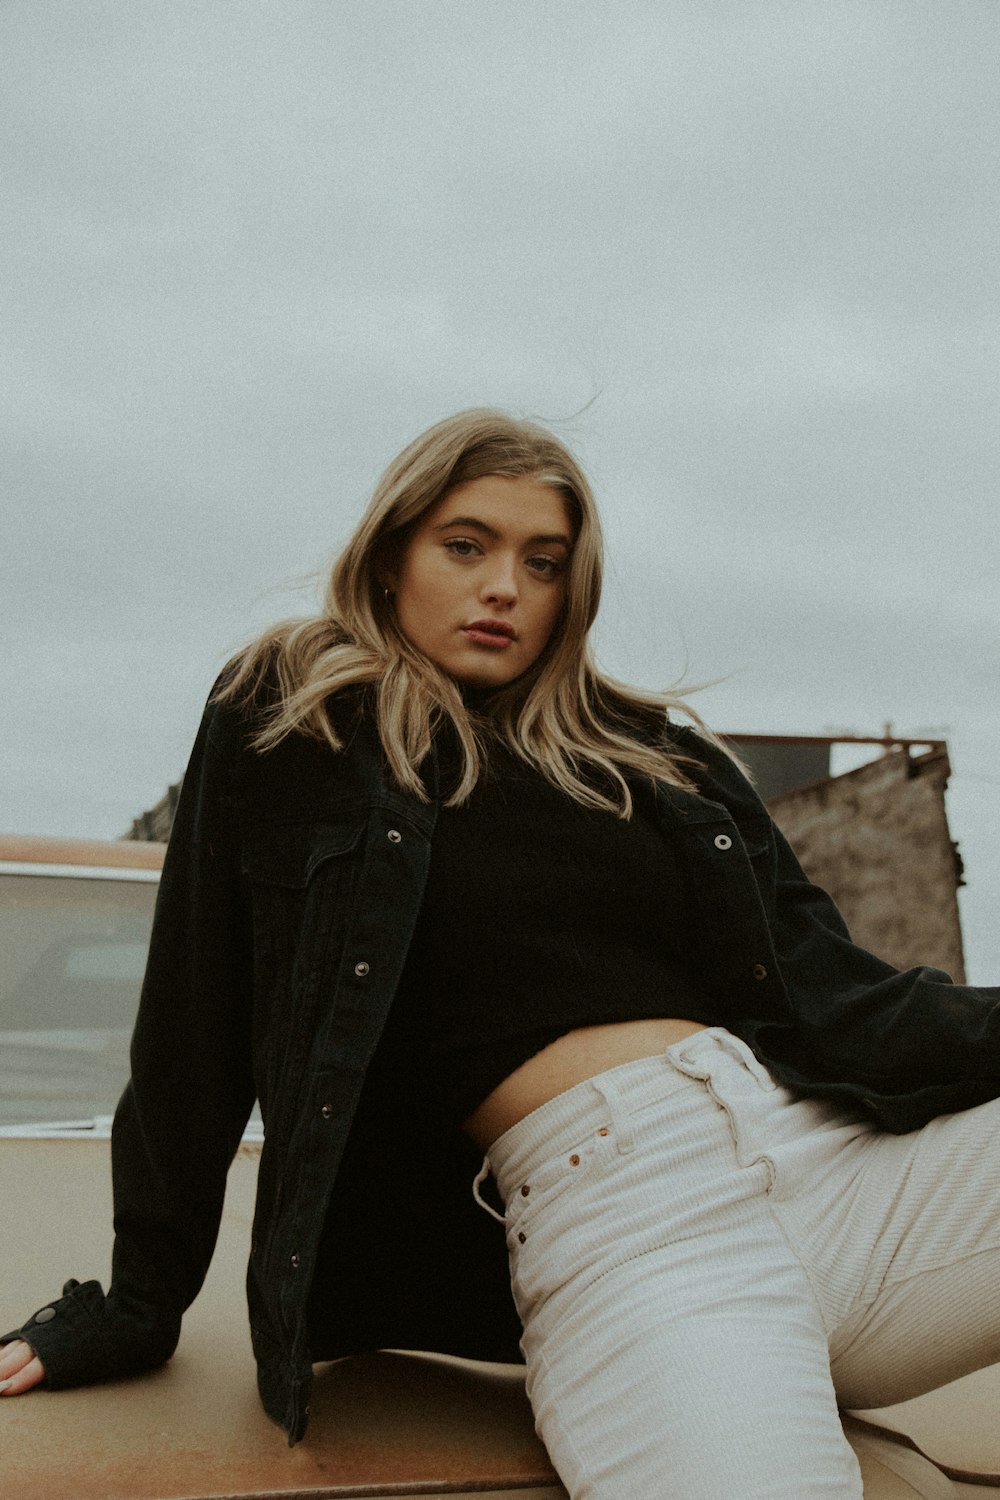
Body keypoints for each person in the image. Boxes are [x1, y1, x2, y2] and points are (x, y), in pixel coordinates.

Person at [2, 408, 1000, 1498]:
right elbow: (194, 1017)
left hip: (831, 1164)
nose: (503, 588)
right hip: (627, 1221)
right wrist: (139, 1306)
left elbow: (842, 1003)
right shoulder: (296, 718)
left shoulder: (657, 758)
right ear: (391, 558)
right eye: (465, 545)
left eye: (543, 562)